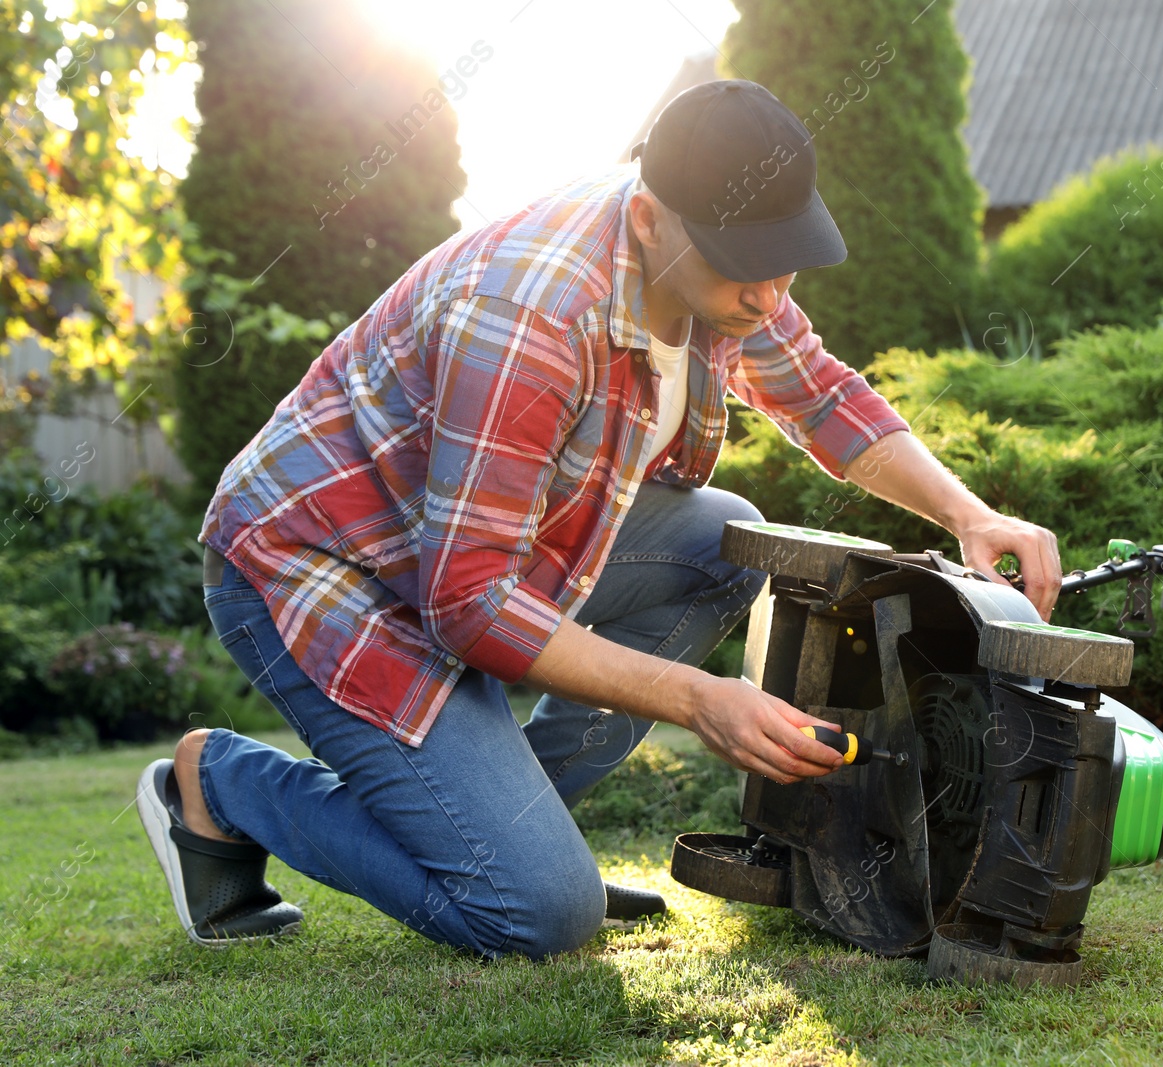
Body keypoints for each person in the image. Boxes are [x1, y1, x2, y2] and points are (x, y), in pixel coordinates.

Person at [136, 79, 1062, 957]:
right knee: (536, 912)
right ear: (652, 217)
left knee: (721, 539)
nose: (771, 292)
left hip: (455, 553)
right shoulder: (532, 316)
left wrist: (969, 513)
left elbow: (821, 397)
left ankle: (518, 829)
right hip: (314, 563)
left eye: (786, 255)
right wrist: (698, 697)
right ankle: (216, 782)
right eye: (747, 263)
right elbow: (469, 606)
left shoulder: (721, 270)